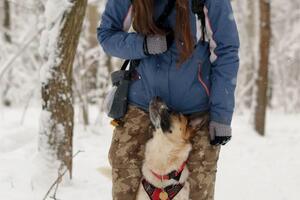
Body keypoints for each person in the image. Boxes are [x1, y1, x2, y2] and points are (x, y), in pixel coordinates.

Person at [97, 0, 239, 199]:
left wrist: (221, 116)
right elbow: (107, 35)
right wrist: (144, 45)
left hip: (195, 113)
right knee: (124, 184)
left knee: (199, 192)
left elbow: (226, 51)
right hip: (142, 105)